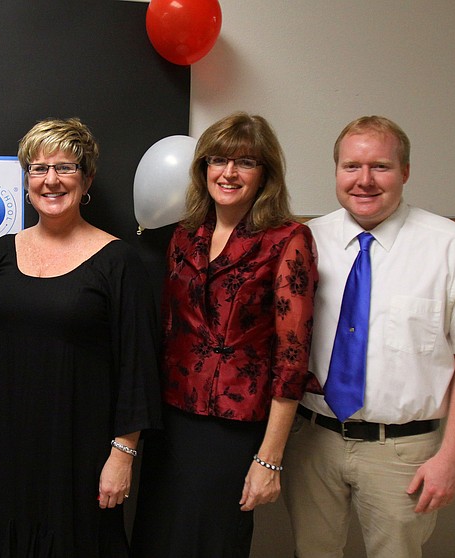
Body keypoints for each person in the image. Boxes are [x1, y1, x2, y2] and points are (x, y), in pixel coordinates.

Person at [282, 116, 455, 558]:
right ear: (336, 171)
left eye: (381, 167)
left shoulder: (453, 248)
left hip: (404, 453)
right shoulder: (306, 241)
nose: (364, 181)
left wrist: (451, 458)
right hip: (313, 441)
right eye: (351, 166)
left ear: (405, 172)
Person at [0, 117, 161, 557]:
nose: (50, 180)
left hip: (84, 449)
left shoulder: (118, 263)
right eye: (38, 168)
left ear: (87, 177)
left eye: (66, 167)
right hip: (14, 446)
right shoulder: (2, 251)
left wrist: (123, 453)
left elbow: (138, 367)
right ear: (26, 179)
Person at [130, 112, 318, 557]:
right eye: (218, 160)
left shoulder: (288, 239)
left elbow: (293, 359)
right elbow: (169, 333)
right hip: (171, 423)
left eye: (245, 162)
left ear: (265, 173)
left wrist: (269, 458)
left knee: (210, 544)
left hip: (232, 431)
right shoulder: (184, 235)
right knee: (157, 541)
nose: (228, 173)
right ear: (203, 169)